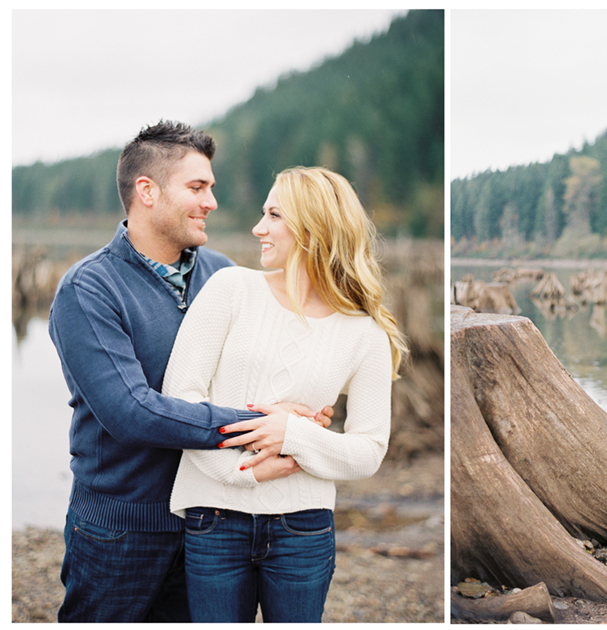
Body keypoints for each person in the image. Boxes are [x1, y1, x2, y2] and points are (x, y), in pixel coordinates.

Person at [48, 120, 325, 622]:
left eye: (211, 188)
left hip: (214, 523)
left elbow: (264, 364)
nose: (211, 202)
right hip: (121, 529)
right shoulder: (89, 289)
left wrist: (305, 411)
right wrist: (257, 426)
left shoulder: (222, 273)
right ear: (147, 191)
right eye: (197, 187)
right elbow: (130, 412)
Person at [161, 165, 408, 622]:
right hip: (213, 518)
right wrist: (249, 473)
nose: (259, 228)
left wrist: (291, 434)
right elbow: (180, 402)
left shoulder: (364, 333)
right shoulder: (230, 289)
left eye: (274, 215)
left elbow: (369, 449)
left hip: (303, 527)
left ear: (313, 230)